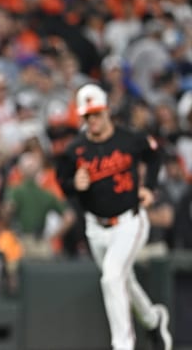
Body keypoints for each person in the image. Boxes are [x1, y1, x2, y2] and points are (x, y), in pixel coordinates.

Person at [55, 83, 172, 350]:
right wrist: (75, 184)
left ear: (107, 110)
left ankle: (122, 345)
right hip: (95, 227)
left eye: (96, 113)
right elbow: (62, 182)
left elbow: (155, 155)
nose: (92, 120)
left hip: (129, 221)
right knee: (122, 279)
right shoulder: (75, 149)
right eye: (87, 116)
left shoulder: (128, 138)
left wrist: (150, 187)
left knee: (111, 276)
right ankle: (153, 321)